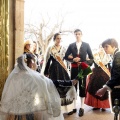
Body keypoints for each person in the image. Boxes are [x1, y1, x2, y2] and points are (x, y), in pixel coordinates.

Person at [0, 53, 78, 120]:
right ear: (30, 63)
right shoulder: (34, 77)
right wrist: (69, 82)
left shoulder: (15, 76)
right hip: (33, 110)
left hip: (17, 111)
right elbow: (52, 83)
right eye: (34, 61)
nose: (36, 64)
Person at [41, 33, 77, 115]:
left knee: (66, 87)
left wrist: (73, 59)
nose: (59, 40)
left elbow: (67, 58)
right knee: (55, 88)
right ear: (54, 39)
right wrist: (46, 72)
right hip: (53, 69)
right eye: (57, 38)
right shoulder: (51, 48)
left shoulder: (63, 48)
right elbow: (47, 61)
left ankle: (68, 108)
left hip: (62, 69)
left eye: (60, 38)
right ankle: (56, 108)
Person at [64, 29, 94, 117]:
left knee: (82, 86)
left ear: (82, 35)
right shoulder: (71, 45)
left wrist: (84, 62)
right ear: (74, 35)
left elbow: (92, 58)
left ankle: (81, 107)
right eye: (76, 34)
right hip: (73, 69)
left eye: (79, 34)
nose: (77, 35)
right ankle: (73, 107)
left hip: (83, 69)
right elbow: (65, 56)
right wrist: (73, 59)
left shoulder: (86, 45)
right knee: (73, 87)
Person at [85, 45, 111, 111]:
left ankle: (103, 106)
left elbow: (109, 66)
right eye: (100, 47)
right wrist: (85, 61)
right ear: (98, 48)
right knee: (95, 89)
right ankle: (96, 105)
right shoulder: (95, 56)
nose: (102, 49)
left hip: (104, 75)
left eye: (103, 47)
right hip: (96, 74)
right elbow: (90, 63)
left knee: (104, 89)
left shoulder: (108, 56)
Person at [96, 38, 120, 110]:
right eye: (104, 47)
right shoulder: (115, 55)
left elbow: (117, 75)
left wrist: (104, 88)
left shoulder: (118, 56)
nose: (105, 49)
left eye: (107, 46)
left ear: (114, 46)